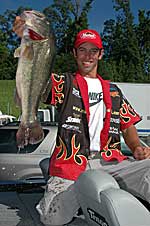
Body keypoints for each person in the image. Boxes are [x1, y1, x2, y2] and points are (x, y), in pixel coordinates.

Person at [13, 17, 150, 226]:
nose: (88, 56)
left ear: (100, 54)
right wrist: (27, 40)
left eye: (93, 51)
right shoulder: (64, 83)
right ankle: (64, 196)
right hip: (71, 165)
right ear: (74, 54)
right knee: (53, 218)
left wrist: (137, 146)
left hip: (110, 163)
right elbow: (36, 79)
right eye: (82, 50)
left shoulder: (114, 91)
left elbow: (128, 125)